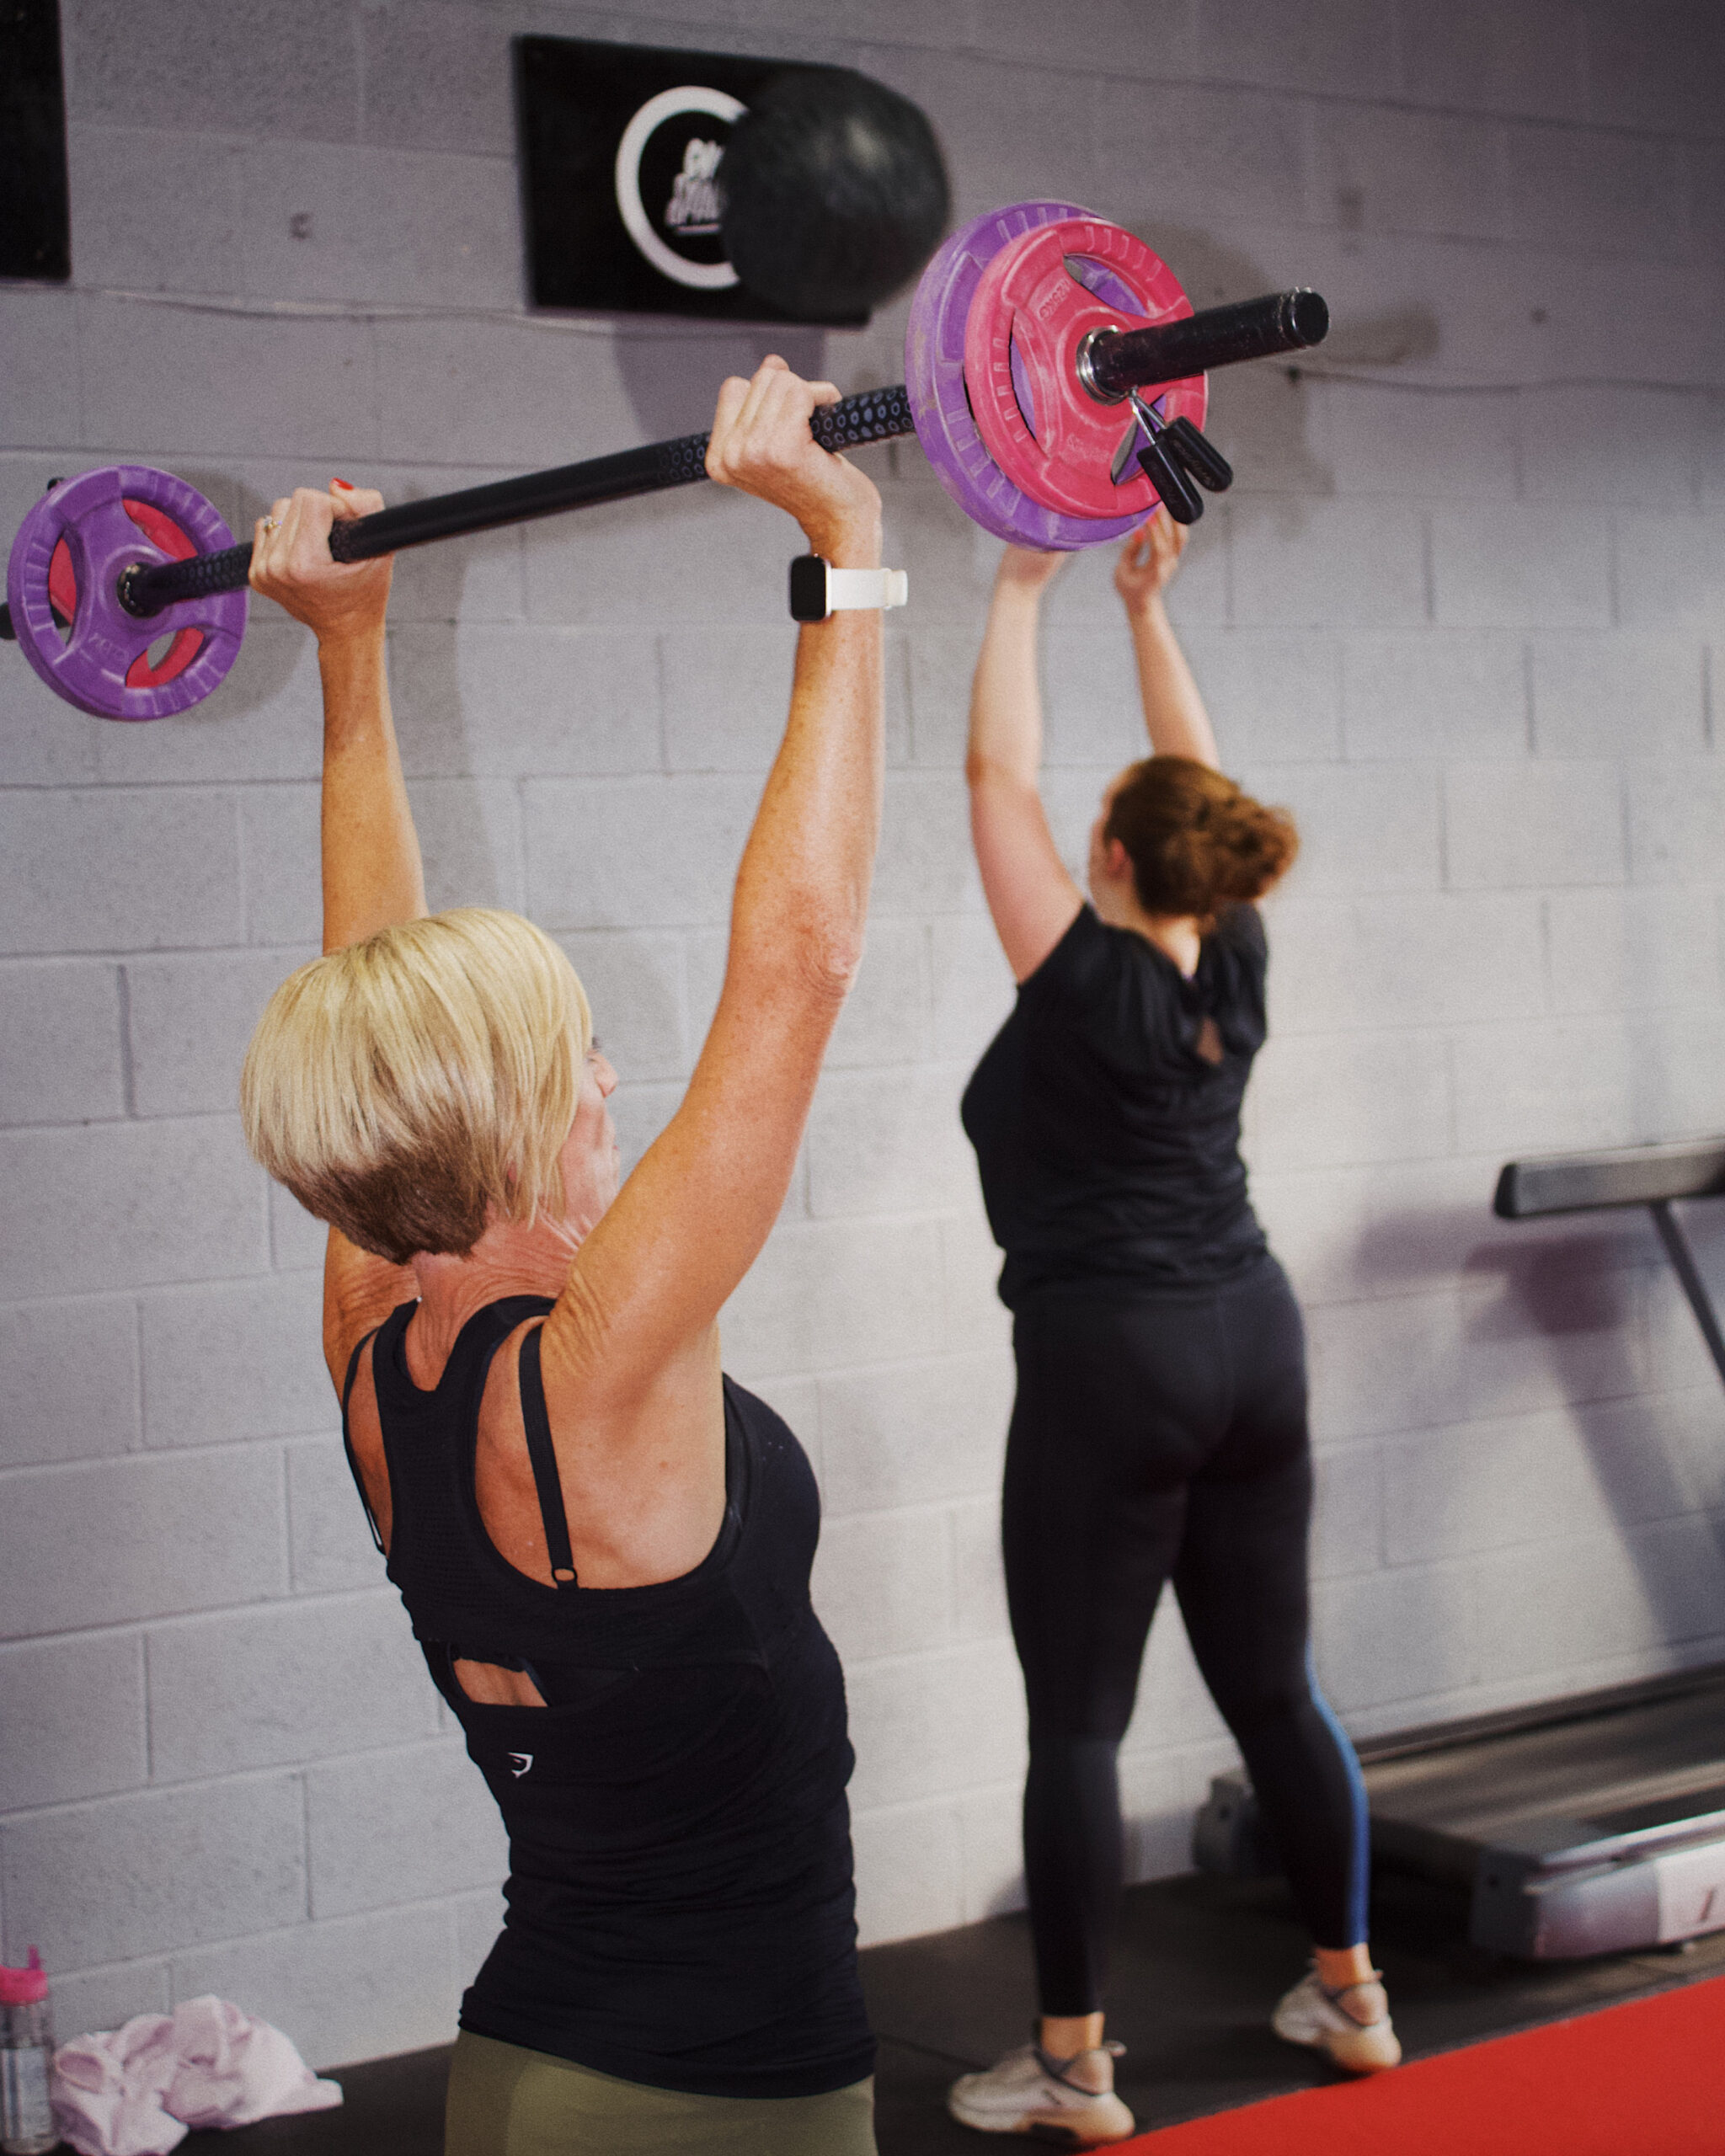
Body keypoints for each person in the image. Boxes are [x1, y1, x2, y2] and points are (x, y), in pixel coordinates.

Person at [238, 358, 885, 2156]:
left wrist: (346, 651)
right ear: (518, 1124)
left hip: (525, 2064)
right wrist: (848, 554)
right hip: (720, 2100)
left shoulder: (380, 1334)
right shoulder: (596, 1372)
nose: (612, 1073)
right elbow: (800, 963)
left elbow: (366, 978)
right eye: (582, 1053)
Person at [946, 517, 1399, 2145]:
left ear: (1120, 864)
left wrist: (1017, 589)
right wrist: (1149, 609)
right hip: (1252, 1343)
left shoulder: (1081, 983)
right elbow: (1196, 783)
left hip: (1112, 1364)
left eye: (1102, 835)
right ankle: (1350, 1991)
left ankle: (1074, 2062)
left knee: (1079, 1718)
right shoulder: (1238, 953)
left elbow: (998, 782)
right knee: (1275, 1689)